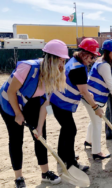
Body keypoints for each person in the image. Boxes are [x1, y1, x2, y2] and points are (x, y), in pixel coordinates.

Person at [0, 39, 68, 188]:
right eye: (61, 61)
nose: (63, 65)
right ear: (51, 59)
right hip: (10, 101)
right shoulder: (28, 68)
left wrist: (39, 127)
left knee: (40, 137)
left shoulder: (54, 74)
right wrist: (18, 113)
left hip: (33, 101)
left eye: (64, 61)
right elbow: (11, 92)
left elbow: (45, 104)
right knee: (16, 139)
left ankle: (45, 174)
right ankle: (19, 178)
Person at [50, 38, 103, 172]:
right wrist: (96, 107)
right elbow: (83, 91)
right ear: (84, 54)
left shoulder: (75, 62)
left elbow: (82, 88)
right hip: (62, 103)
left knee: (66, 129)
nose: (93, 60)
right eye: (92, 57)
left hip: (58, 101)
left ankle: (63, 156)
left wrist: (86, 92)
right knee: (71, 130)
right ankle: (71, 163)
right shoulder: (78, 68)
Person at [83, 39, 112, 160]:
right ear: (107, 52)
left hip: (90, 97)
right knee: (97, 123)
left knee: (94, 120)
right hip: (93, 99)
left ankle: (88, 141)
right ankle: (96, 152)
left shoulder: (100, 62)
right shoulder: (105, 66)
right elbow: (111, 88)